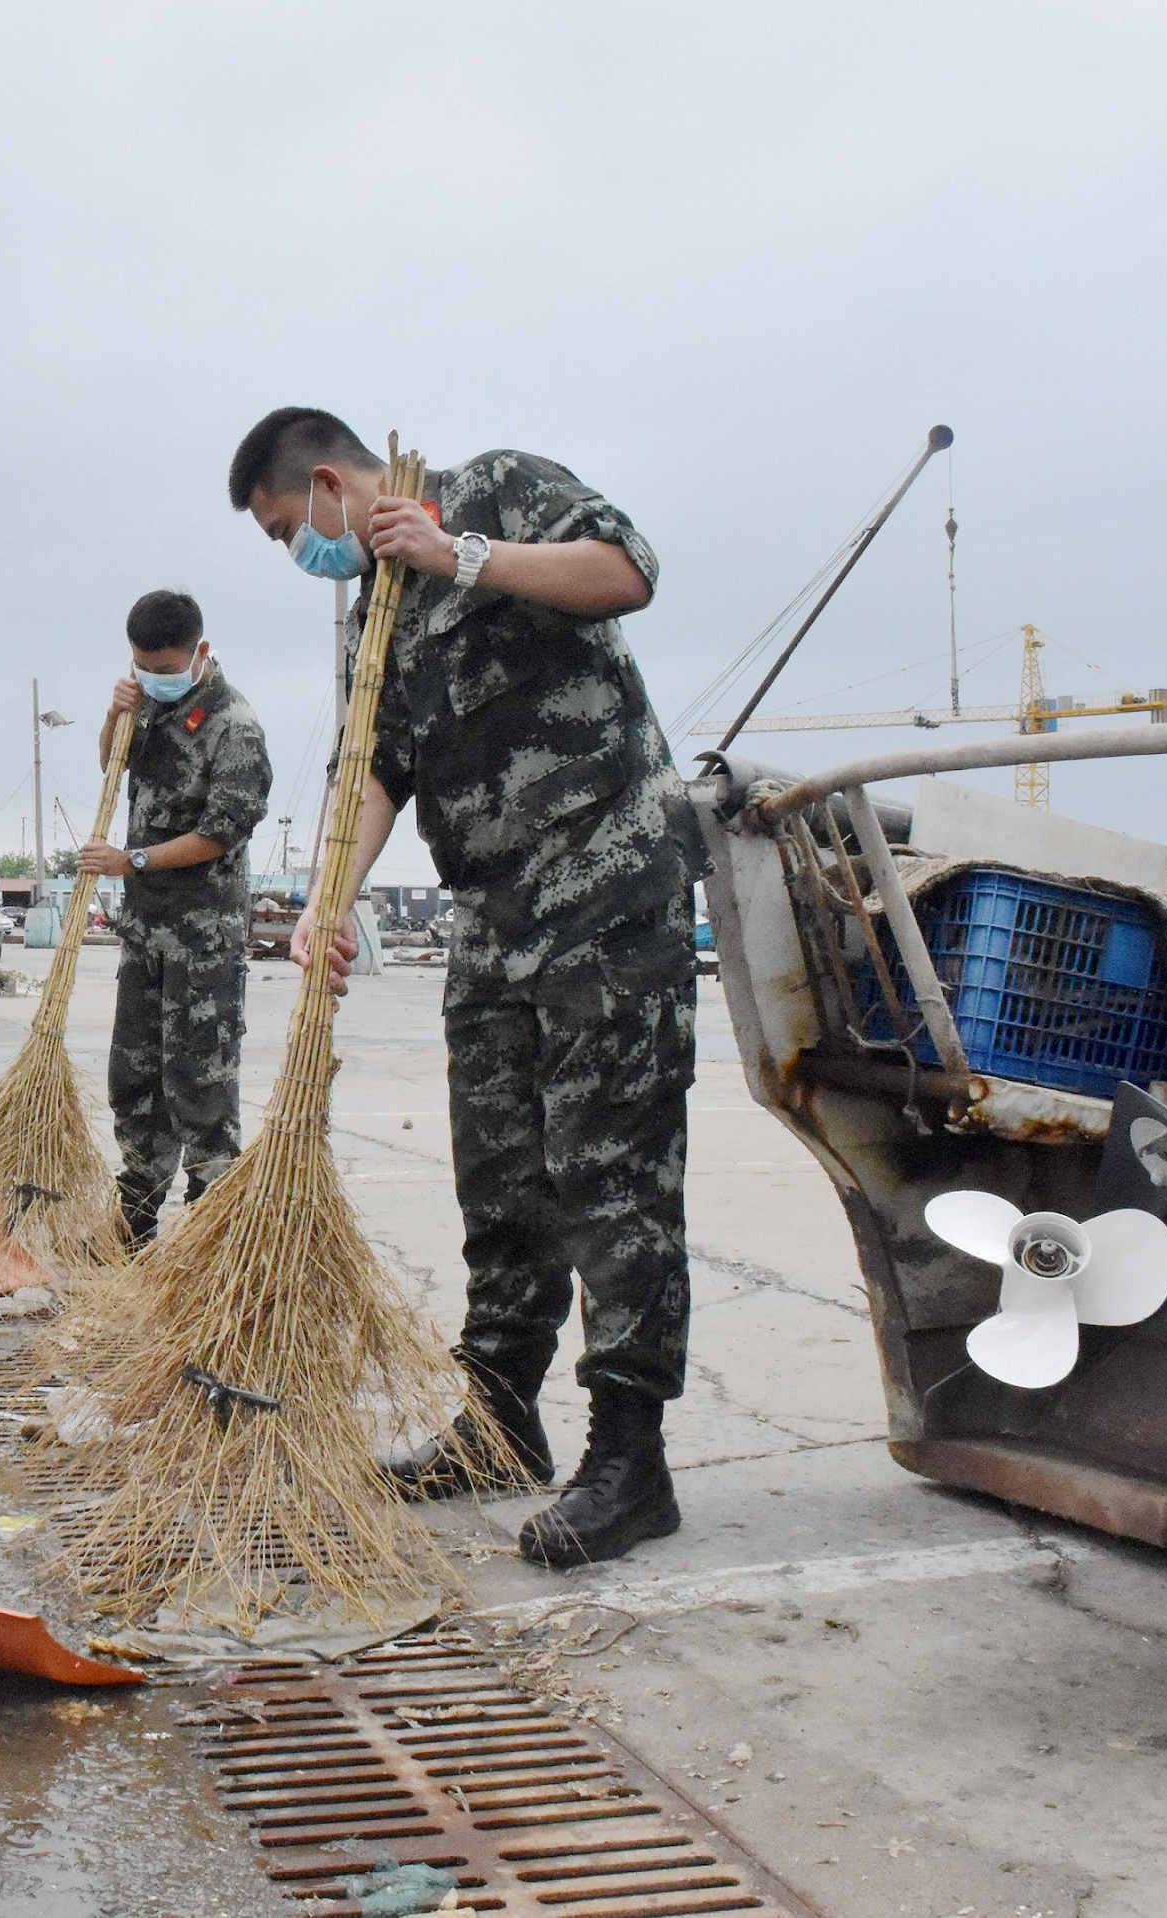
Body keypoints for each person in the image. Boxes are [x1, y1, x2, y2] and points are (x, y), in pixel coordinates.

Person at [229, 407, 702, 1569]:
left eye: (294, 528)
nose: (302, 555)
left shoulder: (495, 489)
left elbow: (627, 569)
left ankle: (629, 1458)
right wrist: (326, 902)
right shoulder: (370, 618)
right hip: (486, 914)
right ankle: (496, 1423)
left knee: (610, 1173)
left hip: (602, 887)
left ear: (333, 483)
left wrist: (464, 555)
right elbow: (376, 769)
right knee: (500, 1178)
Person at [76, 589, 272, 1248]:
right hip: (144, 936)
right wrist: (114, 716)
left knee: (200, 1086)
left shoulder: (233, 724)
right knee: (134, 1079)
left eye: (163, 667)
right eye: (140, 666)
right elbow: (113, 764)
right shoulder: (147, 706)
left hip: (202, 941)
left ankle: (215, 1244)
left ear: (201, 654)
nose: (152, 677)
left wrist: (132, 860)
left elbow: (223, 832)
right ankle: (133, 1225)